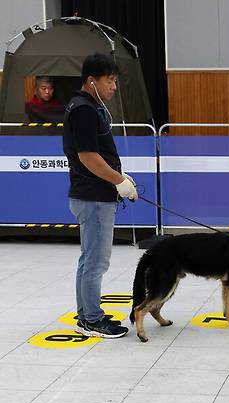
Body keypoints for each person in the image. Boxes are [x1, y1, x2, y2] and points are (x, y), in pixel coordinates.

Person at [62, 53, 138, 339]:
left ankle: (86, 313)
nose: (114, 87)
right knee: (96, 261)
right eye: (110, 81)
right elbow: (88, 157)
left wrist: (120, 176)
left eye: (116, 81)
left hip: (93, 194)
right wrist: (119, 181)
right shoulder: (83, 109)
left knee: (89, 259)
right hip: (93, 198)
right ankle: (92, 320)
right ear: (92, 81)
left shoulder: (89, 107)